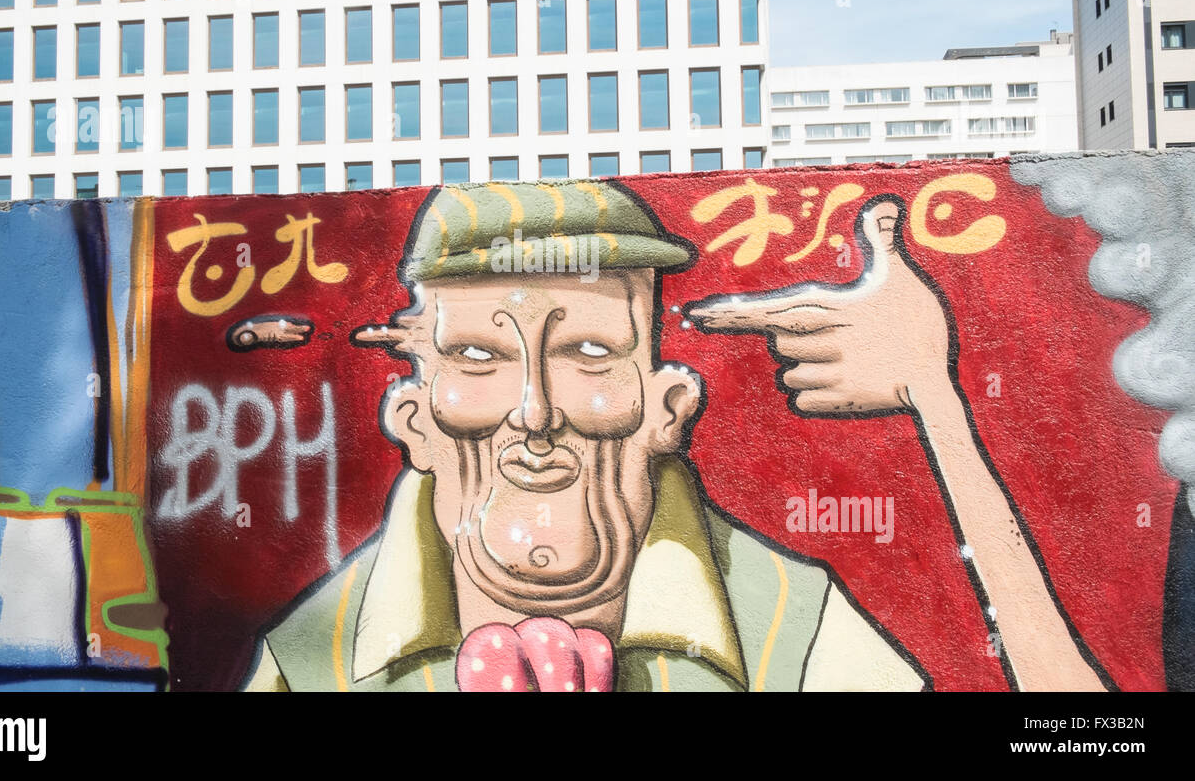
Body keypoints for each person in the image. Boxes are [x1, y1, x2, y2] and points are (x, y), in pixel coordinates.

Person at [243, 180, 1106, 692]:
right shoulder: (319, 651)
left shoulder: (786, 626)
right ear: (415, 419)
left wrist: (940, 406)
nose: (535, 412)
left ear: (666, 407)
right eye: (477, 356)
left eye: (589, 351)